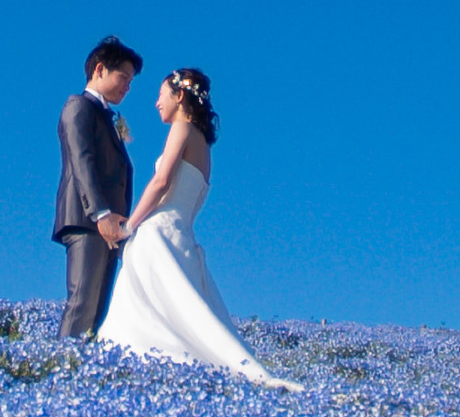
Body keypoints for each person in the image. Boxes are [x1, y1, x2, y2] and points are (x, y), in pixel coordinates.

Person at [91, 66, 300, 387]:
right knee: (186, 314)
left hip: (157, 236)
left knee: (146, 316)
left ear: (180, 96)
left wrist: (129, 226)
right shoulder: (204, 146)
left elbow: (161, 182)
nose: (157, 103)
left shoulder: (183, 128)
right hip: (183, 237)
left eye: (161, 95)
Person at [52, 37, 141, 339]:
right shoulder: (78, 106)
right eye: (123, 77)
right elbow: (82, 160)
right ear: (100, 69)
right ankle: (61, 364)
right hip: (88, 220)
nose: (127, 87)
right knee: (82, 303)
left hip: (111, 227)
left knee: (98, 313)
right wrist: (101, 213)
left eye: (130, 82)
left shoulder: (107, 116)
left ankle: (83, 364)